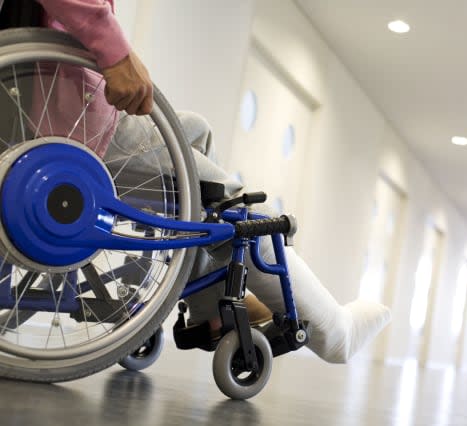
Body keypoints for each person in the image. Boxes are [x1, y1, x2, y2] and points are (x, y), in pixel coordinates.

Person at [34, 0, 391, 363]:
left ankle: (209, 303)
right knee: (239, 209)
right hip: (77, 124)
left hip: (68, 106)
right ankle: (334, 334)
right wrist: (117, 54)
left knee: (196, 131)